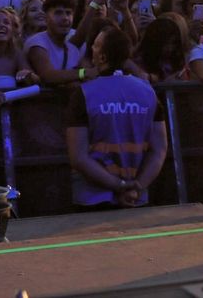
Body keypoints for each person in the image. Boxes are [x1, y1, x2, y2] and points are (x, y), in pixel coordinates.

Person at [64, 25, 168, 209]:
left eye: (95, 46)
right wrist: (137, 186)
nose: (92, 50)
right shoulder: (147, 92)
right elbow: (159, 150)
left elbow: (78, 157)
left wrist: (119, 186)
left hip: (92, 197)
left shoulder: (84, 94)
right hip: (137, 196)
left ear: (102, 57)